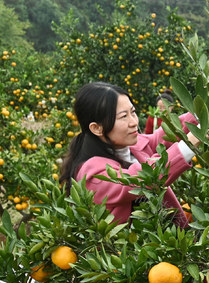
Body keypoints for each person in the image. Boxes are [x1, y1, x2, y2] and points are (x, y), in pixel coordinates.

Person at [58, 82, 199, 227]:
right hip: (133, 248)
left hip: (174, 241)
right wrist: (191, 142)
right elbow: (142, 178)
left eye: (133, 112)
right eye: (123, 116)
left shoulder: (133, 145)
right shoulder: (93, 175)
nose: (134, 122)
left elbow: (163, 136)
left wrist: (201, 114)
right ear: (97, 128)